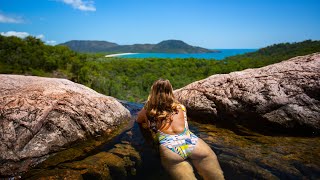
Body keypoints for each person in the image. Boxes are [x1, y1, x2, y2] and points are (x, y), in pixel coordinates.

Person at [137, 79, 224, 180]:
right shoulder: (180, 107)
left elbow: (139, 121)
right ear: (170, 91)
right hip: (193, 143)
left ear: (153, 92)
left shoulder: (147, 111)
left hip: (170, 149)